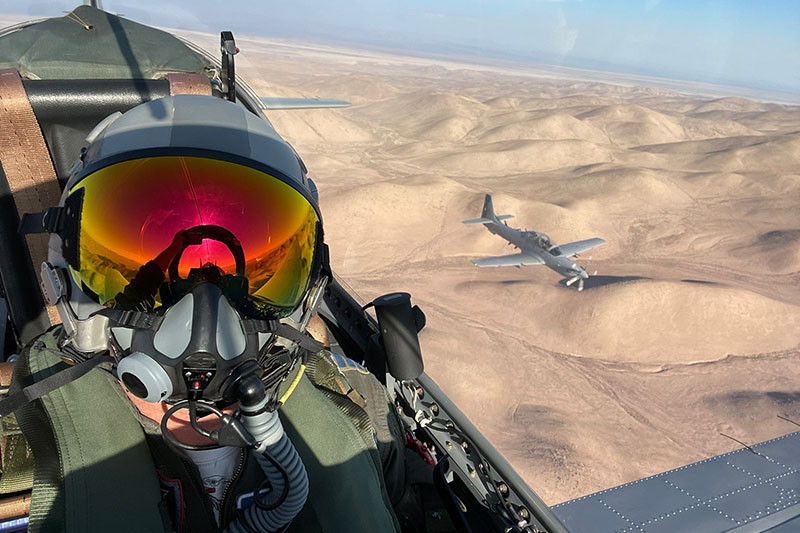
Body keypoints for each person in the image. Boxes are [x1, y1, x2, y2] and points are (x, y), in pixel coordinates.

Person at [5, 95, 431, 532]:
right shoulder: (18, 440)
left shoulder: (357, 401)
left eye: (233, 277)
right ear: (62, 274)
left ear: (310, 288)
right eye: (166, 275)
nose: (202, 314)